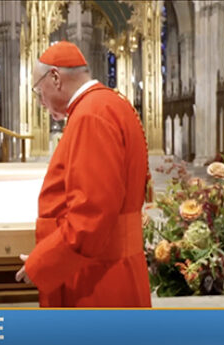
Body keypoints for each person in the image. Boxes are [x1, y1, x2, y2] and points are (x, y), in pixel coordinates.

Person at [15, 41, 151, 307]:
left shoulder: (91, 114)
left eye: (37, 90)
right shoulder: (108, 104)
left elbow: (92, 214)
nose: (41, 101)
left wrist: (43, 263)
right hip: (108, 267)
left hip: (98, 279)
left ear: (54, 77)